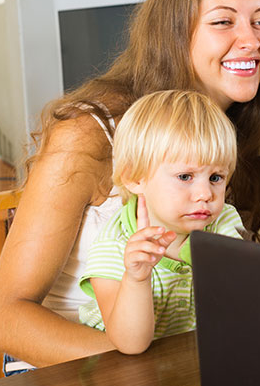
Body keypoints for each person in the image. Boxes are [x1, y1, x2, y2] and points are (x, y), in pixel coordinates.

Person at [0, 0, 260, 370]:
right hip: (73, 370)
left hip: (183, 366)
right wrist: (147, 372)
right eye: (223, 21)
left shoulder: (254, 127)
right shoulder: (89, 133)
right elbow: (5, 316)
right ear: (175, 32)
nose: (250, 40)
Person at [78, 90, 243, 354]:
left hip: (186, 363)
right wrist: (137, 278)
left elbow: (240, 312)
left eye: (215, 178)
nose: (205, 194)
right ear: (134, 178)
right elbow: (131, 345)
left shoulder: (222, 221)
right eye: (185, 176)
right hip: (121, 374)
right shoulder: (114, 248)